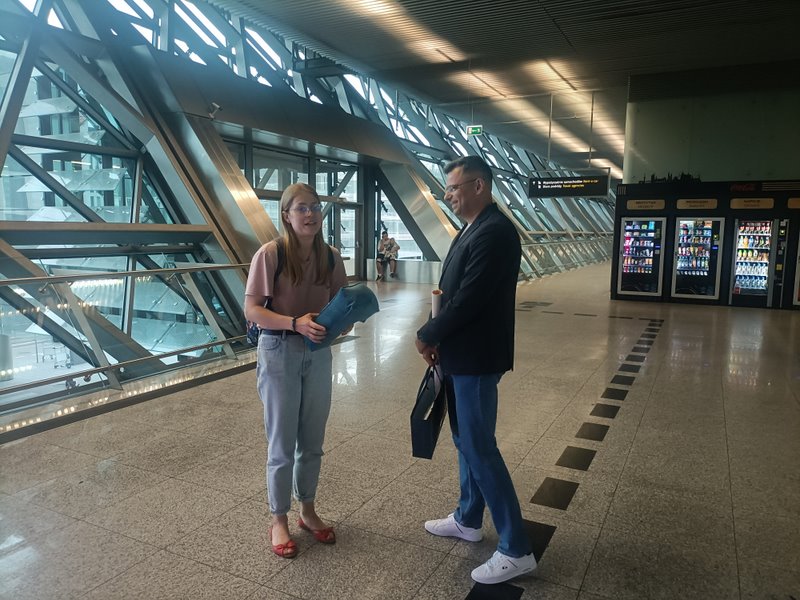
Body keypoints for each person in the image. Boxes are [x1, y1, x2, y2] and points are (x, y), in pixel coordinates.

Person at [414, 156, 536, 584]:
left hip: (477, 358)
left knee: (480, 447)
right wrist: (436, 335)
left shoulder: (496, 232)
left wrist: (428, 333)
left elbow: (470, 298)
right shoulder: (472, 228)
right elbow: (450, 291)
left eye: (454, 187)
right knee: (465, 440)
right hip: (460, 354)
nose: (448, 195)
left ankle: (516, 548)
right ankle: (468, 518)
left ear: (479, 185)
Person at [244, 183, 348, 559]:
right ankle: (278, 518)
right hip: (279, 351)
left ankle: (307, 509)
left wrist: (343, 322)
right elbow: (252, 310)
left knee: (313, 441)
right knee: (282, 443)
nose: (310, 214)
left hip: (317, 353)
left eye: (315, 207)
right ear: (286, 216)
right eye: (301, 208)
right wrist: (294, 323)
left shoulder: (330, 257)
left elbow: (341, 304)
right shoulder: (271, 254)